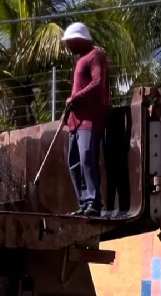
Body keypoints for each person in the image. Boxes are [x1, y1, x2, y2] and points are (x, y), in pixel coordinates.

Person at [61, 22, 111, 217]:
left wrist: (74, 98)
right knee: (74, 162)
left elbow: (98, 83)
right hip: (76, 120)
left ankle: (93, 202)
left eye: (70, 43)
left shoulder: (95, 56)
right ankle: (83, 202)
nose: (68, 47)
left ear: (80, 40)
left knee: (87, 158)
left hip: (89, 120)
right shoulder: (81, 58)